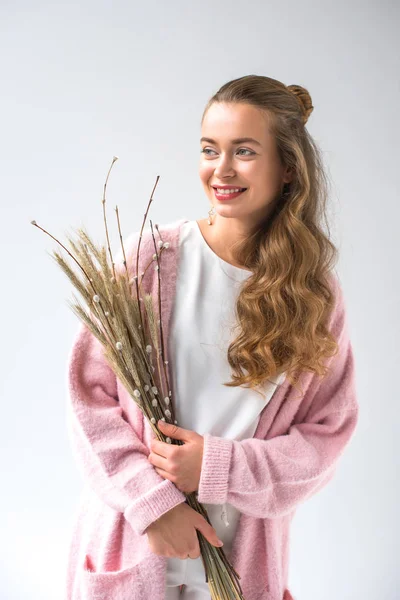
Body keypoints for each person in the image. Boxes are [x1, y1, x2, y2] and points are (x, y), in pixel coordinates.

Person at [64, 75, 359, 600]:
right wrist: (154, 505)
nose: (220, 170)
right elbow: (90, 402)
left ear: (288, 167)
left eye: (244, 151)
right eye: (209, 149)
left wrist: (218, 467)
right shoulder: (149, 262)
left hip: (240, 567)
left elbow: (325, 438)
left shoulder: (315, 299)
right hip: (136, 547)